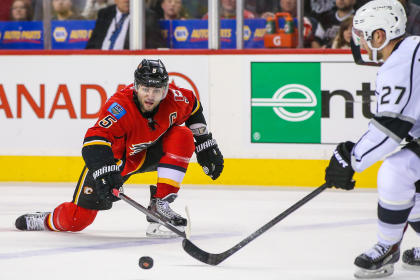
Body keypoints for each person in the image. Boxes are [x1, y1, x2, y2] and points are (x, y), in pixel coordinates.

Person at [14, 59, 224, 238]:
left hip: (146, 153)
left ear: (165, 90)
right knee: (77, 220)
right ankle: (46, 220)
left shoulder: (176, 99)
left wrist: (205, 143)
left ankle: (160, 205)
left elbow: (194, 107)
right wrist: (106, 172)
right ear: (135, 86)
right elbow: (93, 142)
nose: (150, 96)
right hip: (114, 162)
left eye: (157, 90)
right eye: (145, 89)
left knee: (183, 136)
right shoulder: (119, 107)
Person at [324, 0, 420, 278]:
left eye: (363, 36)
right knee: (409, 179)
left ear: (380, 35)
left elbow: (389, 129)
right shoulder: (410, 51)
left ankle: (388, 246)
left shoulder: (403, 59)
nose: (361, 44)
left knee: (396, 171)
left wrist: (351, 161)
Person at [86, 0, 166, 49]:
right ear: (116, 0)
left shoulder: (147, 16)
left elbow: (156, 46)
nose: (127, 0)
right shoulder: (105, 14)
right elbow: (92, 45)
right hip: (100, 62)